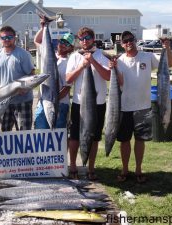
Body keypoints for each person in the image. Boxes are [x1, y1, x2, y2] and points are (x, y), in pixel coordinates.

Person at [113, 31, 172, 183]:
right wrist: (113, 68)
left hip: (143, 107)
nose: (128, 42)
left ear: (135, 40)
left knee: (140, 140)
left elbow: (170, 63)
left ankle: (139, 169)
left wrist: (166, 47)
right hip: (124, 107)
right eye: (125, 41)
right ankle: (125, 168)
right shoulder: (119, 61)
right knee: (124, 141)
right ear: (121, 44)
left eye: (131, 39)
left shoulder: (147, 56)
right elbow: (120, 82)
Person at [66, 27, 110, 180]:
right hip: (79, 103)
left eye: (88, 38)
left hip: (98, 104)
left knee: (94, 136)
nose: (85, 41)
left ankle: (91, 168)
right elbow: (68, 79)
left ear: (93, 38)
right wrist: (82, 66)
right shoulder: (74, 57)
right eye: (82, 39)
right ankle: (73, 165)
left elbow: (108, 76)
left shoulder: (102, 55)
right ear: (79, 40)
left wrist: (93, 62)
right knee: (74, 137)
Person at [0, 26, 35, 131]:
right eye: (3, 37)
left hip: (23, 101)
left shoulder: (23, 54)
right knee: (5, 131)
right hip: (4, 101)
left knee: (24, 133)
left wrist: (25, 88)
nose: (7, 39)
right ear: (0, 39)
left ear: (14, 37)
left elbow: (31, 74)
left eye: (9, 37)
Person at [33, 18, 75, 129]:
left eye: (67, 43)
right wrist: (43, 27)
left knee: (58, 137)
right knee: (40, 134)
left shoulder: (70, 62)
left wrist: (53, 100)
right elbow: (36, 41)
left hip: (60, 104)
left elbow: (67, 88)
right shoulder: (48, 52)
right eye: (62, 41)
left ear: (71, 48)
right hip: (44, 101)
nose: (63, 44)